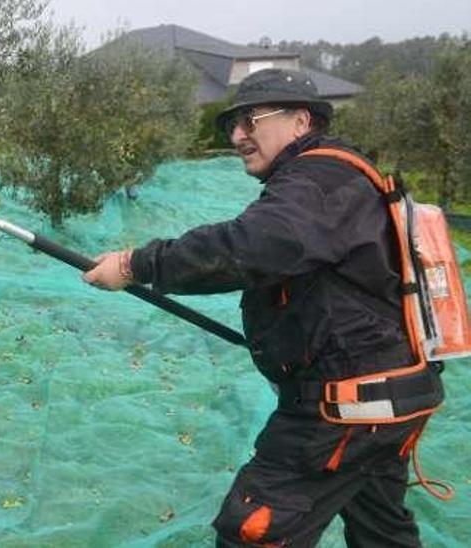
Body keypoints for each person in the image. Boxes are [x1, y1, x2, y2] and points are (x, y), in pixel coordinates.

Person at [83, 68, 445, 546]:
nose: (237, 135)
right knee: (382, 531)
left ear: (301, 122)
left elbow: (251, 247)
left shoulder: (320, 178)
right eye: (232, 125)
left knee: (253, 532)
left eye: (252, 120)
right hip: (390, 398)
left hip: (344, 408)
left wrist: (135, 264)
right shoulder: (338, 179)